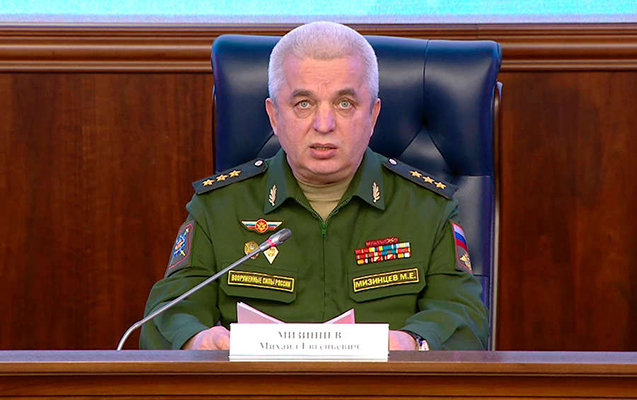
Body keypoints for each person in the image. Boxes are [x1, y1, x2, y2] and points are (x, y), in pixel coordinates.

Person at [140, 21, 488, 351]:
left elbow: (466, 321)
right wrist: (197, 341)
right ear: (274, 116)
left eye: (344, 103)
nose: (324, 124)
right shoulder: (219, 207)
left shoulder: (427, 208)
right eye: (303, 104)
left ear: (373, 115)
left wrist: (413, 343)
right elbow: (164, 319)